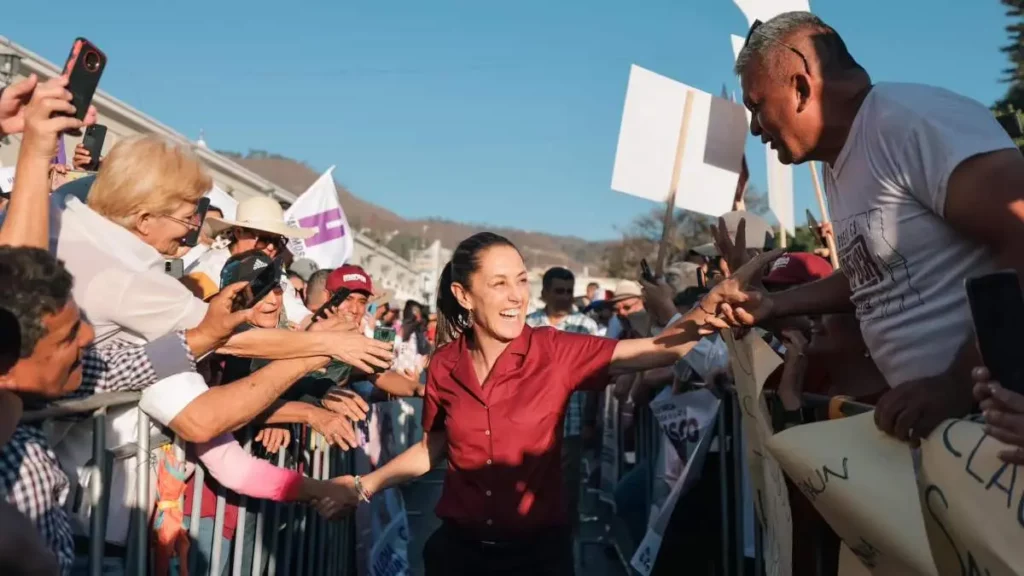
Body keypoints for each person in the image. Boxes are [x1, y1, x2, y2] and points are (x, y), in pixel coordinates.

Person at [325, 232, 778, 575]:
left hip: (538, 557)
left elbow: (655, 350)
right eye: (499, 283)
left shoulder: (555, 350)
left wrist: (706, 314)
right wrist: (364, 486)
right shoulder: (445, 364)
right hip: (457, 556)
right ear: (464, 295)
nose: (516, 295)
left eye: (521, 281)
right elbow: (435, 446)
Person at [717, 11, 1024, 443]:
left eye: (756, 106)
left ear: (801, 88)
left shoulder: (911, 124)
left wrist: (959, 381)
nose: (754, 128)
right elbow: (873, 273)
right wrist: (772, 305)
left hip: (998, 425)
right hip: (957, 435)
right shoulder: (838, 160)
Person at [524, 267, 599, 539]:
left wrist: (591, 421)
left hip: (572, 424)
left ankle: (565, 555)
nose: (565, 296)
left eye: (568, 291)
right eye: (558, 291)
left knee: (566, 494)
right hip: (531, 427)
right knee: (531, 491)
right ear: (544, 293)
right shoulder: (528, 326)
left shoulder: (587, 327)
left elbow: (595, 378)